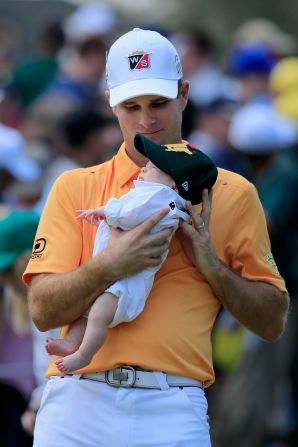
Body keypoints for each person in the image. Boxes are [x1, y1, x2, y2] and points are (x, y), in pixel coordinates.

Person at [23, 28, 289, 447]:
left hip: (173, 403)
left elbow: (272, 320)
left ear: (183, 94)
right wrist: (112, 264)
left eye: (159, 103)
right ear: (112, 103)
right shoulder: (74, 187)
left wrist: (210, 265)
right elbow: (41, 309)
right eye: (132, 106)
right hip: (77, 401)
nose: (147, 119)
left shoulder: (233, 194)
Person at [45, 133, 218, 373]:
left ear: (174, 185)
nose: (145, 166)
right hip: (117, 275)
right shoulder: (156, 198)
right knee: (87, 309)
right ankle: (71, 343)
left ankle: (84, 354)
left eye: (154, 166)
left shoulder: (161, 200)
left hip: (125, 284)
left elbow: (130, 214)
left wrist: (104, 211)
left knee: (96, 315)